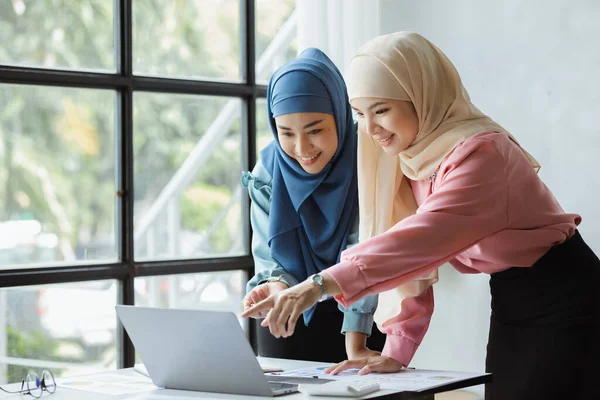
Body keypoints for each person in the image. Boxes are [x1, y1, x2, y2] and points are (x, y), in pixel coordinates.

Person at [241, 32, 600, 399]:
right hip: (512, 295)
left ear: (420, 94)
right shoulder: (415, 157)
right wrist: (396, 351)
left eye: (381, 110)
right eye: (360, 114)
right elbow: (409, 260)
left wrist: (316, 286)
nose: (370, 129)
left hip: (566, 294)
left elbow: (416, 242)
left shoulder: (482, 155)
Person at [241, 47, 385, 363]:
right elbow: (269, 253)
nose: (302, 148)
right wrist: (276, 287)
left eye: (315, 130)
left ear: (339, 113)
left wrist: (356, 337)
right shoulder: (267, 172)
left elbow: (370, 256)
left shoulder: (371, 159)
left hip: (363, 320)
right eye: (286, 133)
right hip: (289, 320)